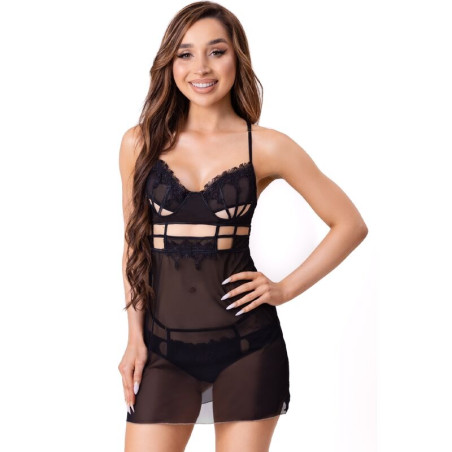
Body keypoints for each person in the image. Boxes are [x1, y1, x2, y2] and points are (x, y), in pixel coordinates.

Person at [118, 1, 368, 451]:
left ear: (238, 59)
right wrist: (134, 338)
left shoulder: (267, 146)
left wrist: (283, 289)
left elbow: (349, 224)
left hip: (249, 348)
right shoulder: (140, 143)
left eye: (216, 51)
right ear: (170, 63)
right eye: (185, 53)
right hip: (160, 349)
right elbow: (135, 246)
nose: (201, 67)